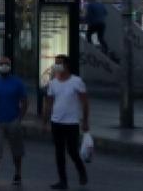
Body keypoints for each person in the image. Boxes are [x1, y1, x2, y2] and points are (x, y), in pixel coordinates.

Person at [42, 54, 88, 190]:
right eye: (55, 63)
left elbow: (85, 103)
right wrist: (45, 121)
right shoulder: (53, 83)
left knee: (72, 151)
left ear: (67, 65)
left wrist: (85, 121)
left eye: (59, 63)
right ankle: (63, 181)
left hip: (72, 123)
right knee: (59, 152)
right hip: (56, 122)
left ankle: (81, 171)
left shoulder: (76, 81)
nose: (56, 65)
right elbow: (49, 103)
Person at [0, 56, 27, 187]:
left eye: (6, 64)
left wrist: (20, 118)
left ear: (10, 66)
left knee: (16, 150)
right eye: (1, 64)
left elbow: (24, 101)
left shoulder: (18, 82)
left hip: (13, 119)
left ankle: (18, 173)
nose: (3, 66)